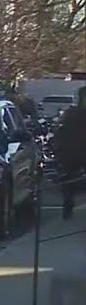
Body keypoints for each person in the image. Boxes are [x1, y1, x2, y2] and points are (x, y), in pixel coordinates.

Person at [55, 86, 86, 219]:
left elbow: (60, 131)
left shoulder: (70, 113)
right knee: (68, 178)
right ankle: (68, 205)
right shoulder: (71, 114)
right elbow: (60, 131)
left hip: (71, 152)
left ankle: (68, 206)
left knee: (68, 179)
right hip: (72, 152)